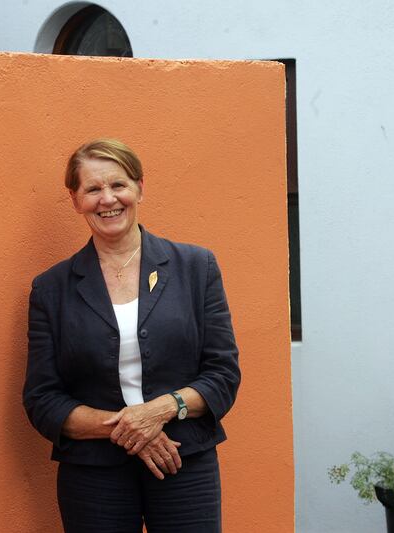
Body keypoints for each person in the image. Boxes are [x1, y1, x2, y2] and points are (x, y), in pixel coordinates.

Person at [23, 138, 240, 532]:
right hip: (93, 475)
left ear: (140, 187)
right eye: (92, 189)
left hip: (183, 461)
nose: (108, 199)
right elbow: (43, 400)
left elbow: (222, 376)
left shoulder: (196, 267)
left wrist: (157, 411)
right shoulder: (51, 289)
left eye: (118, 185)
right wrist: (131, 429)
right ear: (75, 200)